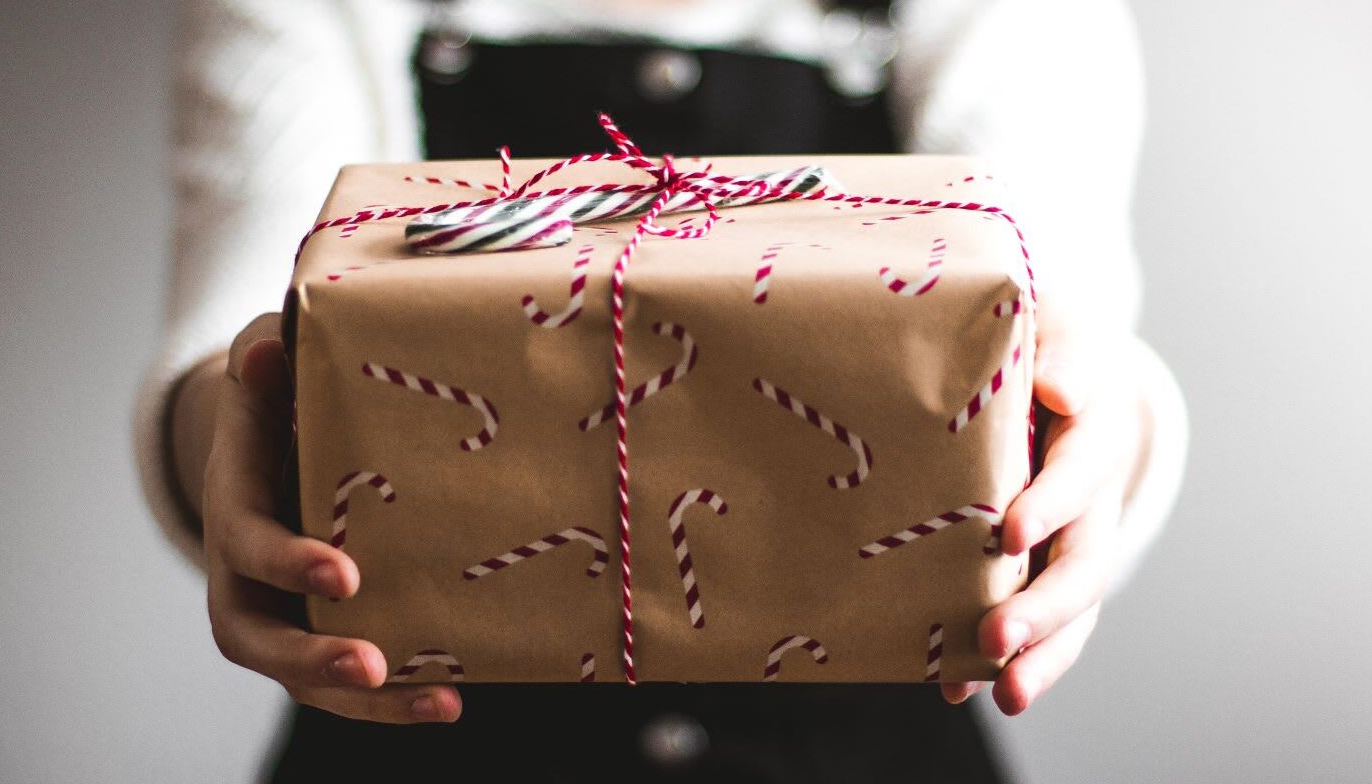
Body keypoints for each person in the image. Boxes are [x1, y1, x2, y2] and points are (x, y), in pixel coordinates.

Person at [134, 0, 1188, 779]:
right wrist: (229, 449)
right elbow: (245, 326)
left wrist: (1103, 440)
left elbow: (1066, 318)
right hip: (416, 725)